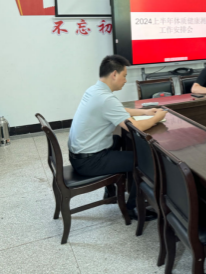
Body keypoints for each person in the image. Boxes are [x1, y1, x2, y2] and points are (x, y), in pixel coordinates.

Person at [68, 55, 167, 220]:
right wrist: (157, 117)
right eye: (124, 75)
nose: (125, 80)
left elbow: (118, 109)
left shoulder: (94, 90)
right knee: (146, 160)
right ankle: (133, 208)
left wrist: (145, 112)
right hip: (89, 162)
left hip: (79, 155)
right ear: (114, 74)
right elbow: (135, 127)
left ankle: (111, 189)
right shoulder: (105, 98)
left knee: (119, 140)